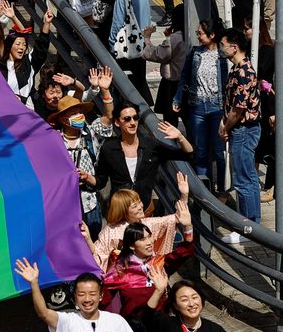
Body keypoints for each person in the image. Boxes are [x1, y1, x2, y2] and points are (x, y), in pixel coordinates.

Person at [100, 204, 194, 332]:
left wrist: (188, 227)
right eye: (142, 239)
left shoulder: (159, 263)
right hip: (133, 328)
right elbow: (102, 302)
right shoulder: (119, 270)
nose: (149, 242)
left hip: (161, 324)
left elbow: (185, 252)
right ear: (132, 245)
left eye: (149, 237)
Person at [47, 71, 115, 237]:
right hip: (63, 203)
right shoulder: (53, 141)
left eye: (80, 112)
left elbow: (108, 116)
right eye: (74, 113)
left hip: (89, 201)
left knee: (92, 238)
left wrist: (105, 91)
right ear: (63, 119)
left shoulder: (91, 133)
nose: (80, 116)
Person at [142, 274, 252, 332]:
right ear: (175, 305)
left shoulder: (216, 330)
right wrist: (159, 291)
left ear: (202, 299)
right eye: (184, 300)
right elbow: (146, 319)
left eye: (195, 297)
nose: (191, 303)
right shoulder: (168, 325)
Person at [91, 104, 192, 208]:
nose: (132, 123)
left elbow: (188, 155)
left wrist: (180, 137)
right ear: (117, 122)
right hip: (119, 209)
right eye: (127, 119)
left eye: (135, 118)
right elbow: (101, 180)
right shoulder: (109, 148)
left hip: (144, 209)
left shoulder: (151, 146)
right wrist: (87, 178)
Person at [15, 262, 139, 332]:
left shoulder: (116, 321)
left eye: (92, 294)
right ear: (75, 297)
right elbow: (43, 313)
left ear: (101, 296)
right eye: (81, 294)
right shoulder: (67, 320)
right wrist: (34, 283)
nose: (87, 299)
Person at [91, 173, 190, 270]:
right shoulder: (110, 232)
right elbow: (98, 256)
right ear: (123, 211)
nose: (140, 207)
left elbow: (177, 217)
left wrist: (184, 195)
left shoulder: (148, 223)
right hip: (122, 277)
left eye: (139, 202)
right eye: (135, 206)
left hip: (146, 273)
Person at [174, 18, 227, 189]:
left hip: (217, 106)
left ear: (212, 35)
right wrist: (177, 98)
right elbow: (185, 76)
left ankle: (223, 187)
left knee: (220, 151)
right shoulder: (196, 53)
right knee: (200, 149)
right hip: (197, 105)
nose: (198, 36)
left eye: (200, 33)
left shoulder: (223, 56)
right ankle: (203, 187)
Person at [220, 28, 262, 233]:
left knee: (243, 181)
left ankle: (248, 228)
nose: (221, 48)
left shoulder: (243, 72)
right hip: (243, 129)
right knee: (250, 177)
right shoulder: (239, 69)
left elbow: (239, 108)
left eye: (223, 44)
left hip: (243, 130)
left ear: (234, 47)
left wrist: (226, 126)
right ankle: (254, 224)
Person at [108, 0, 154, 104]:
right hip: (142, 45)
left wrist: (111, 44)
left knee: (125, 82)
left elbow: (117, 23)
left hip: (127, 46)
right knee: (139, 80)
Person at [141, 5, 188, 122]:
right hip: (188, 83)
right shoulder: (192, 35)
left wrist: (147, 38)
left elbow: (157, 54)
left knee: (170, 120)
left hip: (172, 84)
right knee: (188, 119)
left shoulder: (174, 39)